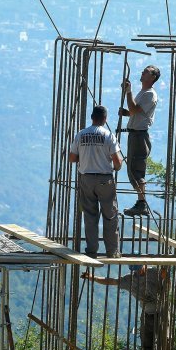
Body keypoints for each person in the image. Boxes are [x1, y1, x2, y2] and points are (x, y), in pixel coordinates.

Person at [82, 266, 166, 350]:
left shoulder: (154, 272)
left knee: (163, 343)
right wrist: (93, 278)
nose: (138, 270)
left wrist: (165, 271)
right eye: (136, 268)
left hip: (162, 314)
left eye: (140, 267)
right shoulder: (130, 280)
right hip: (147, 314)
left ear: (145, 264)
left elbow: (166, 278)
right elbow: (112, 281)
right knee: (148, 346)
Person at [69, 105, 124, 258]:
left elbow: (72, 158)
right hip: (104, 179)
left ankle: (91, 250)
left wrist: (86, 157)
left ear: (92, 117)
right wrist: (117, 167)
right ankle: (112, 251)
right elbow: (117, 162)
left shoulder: (81, 134)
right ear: (105, 119)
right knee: (110, 215)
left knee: (90, 215)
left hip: (86, 178)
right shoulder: (108, 135)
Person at [119, 65, 160, 216]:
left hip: (139, 135)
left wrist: (128, 92)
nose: (142, 72)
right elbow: (134, 111)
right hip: (135, 135)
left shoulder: (149, 94)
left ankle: (142, 203)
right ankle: (140, 202)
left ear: (153, 77)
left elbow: (134, 109)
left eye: (146, 72)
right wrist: (126, 113)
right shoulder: (144, 93)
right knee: (133, 169)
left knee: (136, 170)